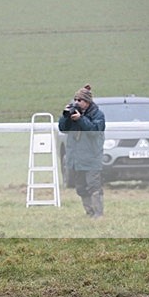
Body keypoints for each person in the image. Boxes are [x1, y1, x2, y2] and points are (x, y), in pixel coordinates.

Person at [58, 84, 106, 218]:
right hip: (76, 159)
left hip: (91, 157)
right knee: (81, 188)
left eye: (80, 100)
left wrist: (81, 119)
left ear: (87, 101)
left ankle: (98, 213)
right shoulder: (74, 113)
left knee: (93, 186)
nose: (77, 103)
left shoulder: (98, 115)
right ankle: (89, 212)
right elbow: (63, 128)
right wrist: (66, 116)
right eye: (75, 100)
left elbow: (94, 131)